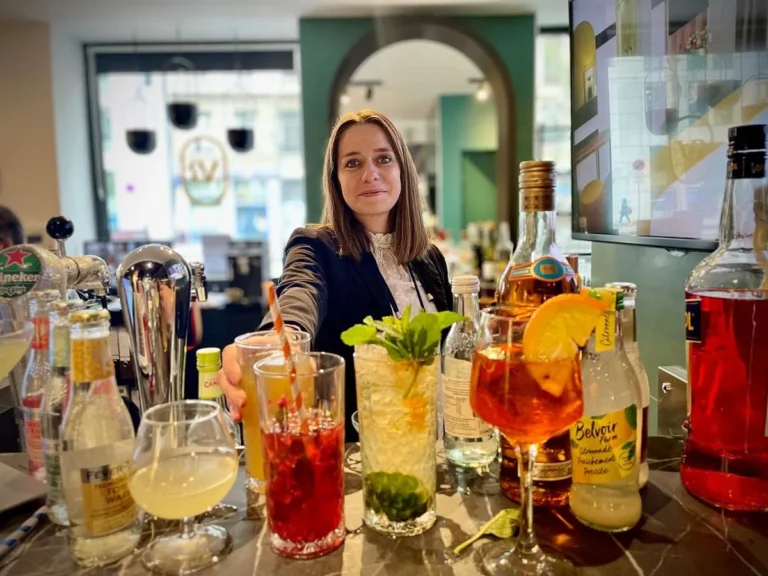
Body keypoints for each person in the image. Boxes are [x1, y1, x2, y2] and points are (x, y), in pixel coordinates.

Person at [217, 109, 452, 440]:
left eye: (384, 159)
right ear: (336, 180)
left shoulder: (430, 258)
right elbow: (300, 292)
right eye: (353, 163)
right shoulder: (315, 246)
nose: (370, 174)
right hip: (359, 452)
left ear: (403, 170)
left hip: (434, 441)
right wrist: (280, 339)